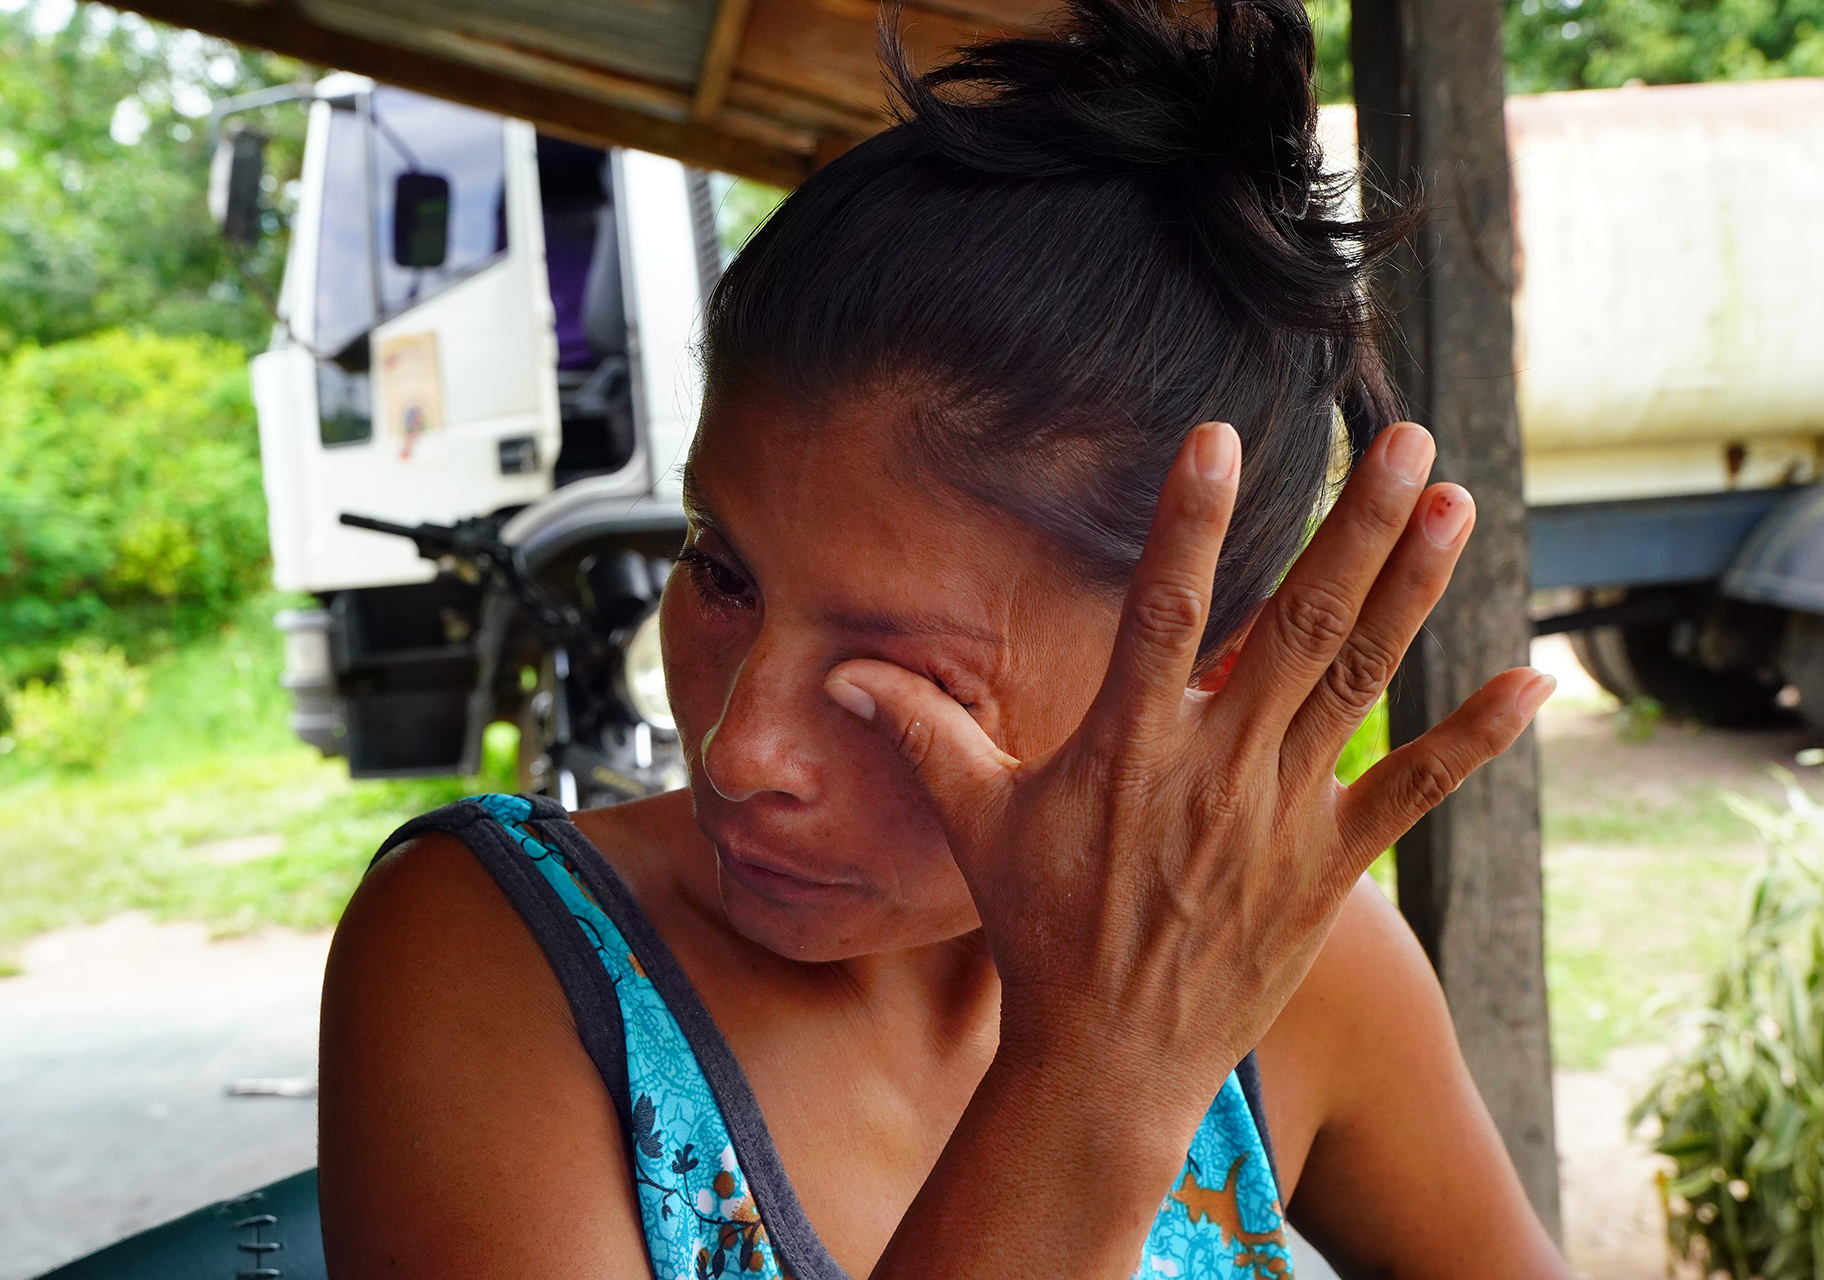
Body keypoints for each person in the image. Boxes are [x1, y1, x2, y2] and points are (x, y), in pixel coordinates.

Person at [317, 0, 1572, 1275]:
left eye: (898, 674)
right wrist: (1101, 1070)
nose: (740, 746)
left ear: (1216, 673)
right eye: (721, 568)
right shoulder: (499, 959)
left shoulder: (1290, 974)